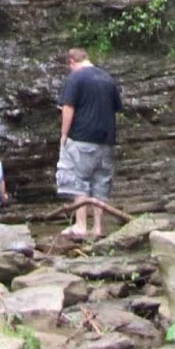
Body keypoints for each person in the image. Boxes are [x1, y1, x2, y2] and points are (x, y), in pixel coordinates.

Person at [56, 47, 122, 239]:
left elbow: (68, 107)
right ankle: (98, 228)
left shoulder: (75, 78)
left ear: (72, 62)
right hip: (106, 141)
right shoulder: (108, 79)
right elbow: (115, 109)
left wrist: (64, 135)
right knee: (100, 183)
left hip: (81, 138)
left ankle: (81, 225)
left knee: (80, 182)